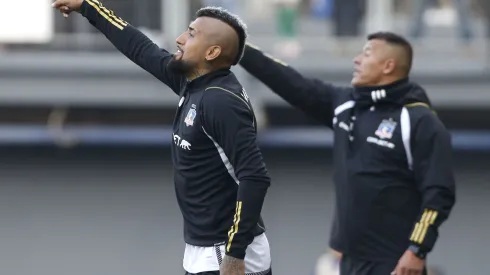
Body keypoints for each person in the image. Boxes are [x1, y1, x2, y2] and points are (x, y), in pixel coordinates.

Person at [51, 1, 272, 275]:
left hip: (224, 253)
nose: (179, 38)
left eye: (191, 34)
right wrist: (87, 7)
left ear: (212, 52)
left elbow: (254, 177)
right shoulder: (195, 82)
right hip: (205, 249)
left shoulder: (220, 102)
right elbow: (141, 48)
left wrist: (234, 254)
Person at [239, 32, 456, 275]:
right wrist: (239, 48)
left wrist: (417, 250)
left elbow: (439, 193)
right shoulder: (347, 104)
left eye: (366, 53)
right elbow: (292, 83)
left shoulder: (419, 121)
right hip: (348, 262)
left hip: (395, 264)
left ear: (388, 66)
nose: (356, 60)